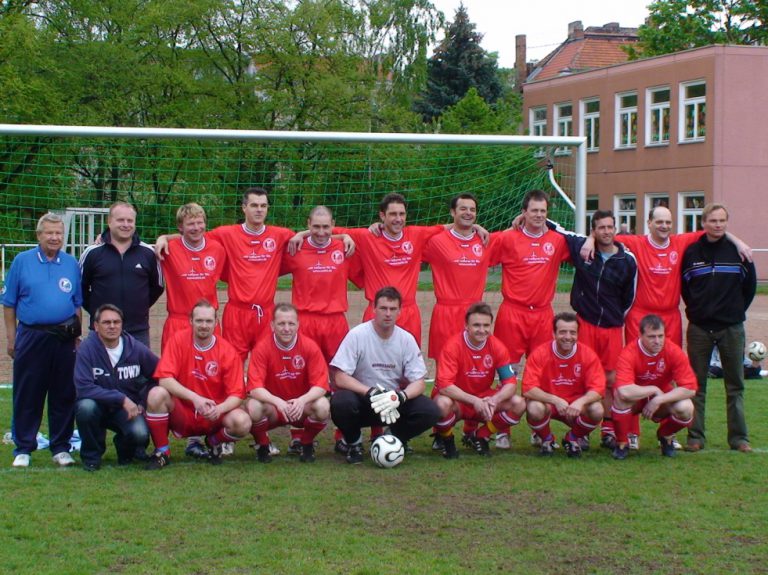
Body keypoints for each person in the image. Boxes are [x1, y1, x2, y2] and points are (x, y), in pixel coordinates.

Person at [551, 210, 637, 449]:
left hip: (611, 328)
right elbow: (557, 228)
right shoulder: (584, 251)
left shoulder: (627, 260)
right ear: (594, 230)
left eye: (610, 227)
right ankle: (584, 428)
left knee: (610, 379)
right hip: (586, 324)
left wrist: (615, 318)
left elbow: (629, 298)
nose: (606, 232)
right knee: (585, 377)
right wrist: (521, 219)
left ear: (615, 229)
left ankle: (608, 429)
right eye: (601, 228)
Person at [3, 212, 82, 468]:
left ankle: (60, 447)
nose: (55, 237)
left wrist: (77, 335)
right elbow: (9, 304)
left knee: (64, 392)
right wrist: (12, 338)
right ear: (39, 235)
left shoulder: (70, 263)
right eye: (49, 232)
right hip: (31, 336)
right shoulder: (22, 261)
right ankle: (24, 447)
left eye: (59, 233)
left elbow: (77, 304)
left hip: (63, 338)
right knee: (28, 392)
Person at [422, 194, 502, 448]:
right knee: (445, 376)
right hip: (446, 312)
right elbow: (406, 237)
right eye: (463, 209)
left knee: (478, 371)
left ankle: (471, 428)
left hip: (476, 315)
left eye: (472, 210)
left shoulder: (485, 240)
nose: (468, 213)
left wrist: (521, 217)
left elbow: (518, 234)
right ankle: (441, 432)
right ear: (452, 213)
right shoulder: (436, 241)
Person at [330, 287, 441, 464]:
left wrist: (400, 396)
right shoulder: (357, 335)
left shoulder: (406, 339)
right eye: (383, 308)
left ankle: (393, 438)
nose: (388, 313)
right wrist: (370, 392)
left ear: (400, 311)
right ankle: (353, 443)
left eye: (392, 309)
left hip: (392, 401)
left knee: (430, 410)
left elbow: (419, 383)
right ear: (374, 309)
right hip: (364, 399)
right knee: (340, 402)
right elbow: (340, 377)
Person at [681, 203, 757, 453]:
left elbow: (750, 288)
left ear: (727, 222)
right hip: (700, 328)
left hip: (731, 328)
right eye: (713, 221)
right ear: (703, 223)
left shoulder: (738, 253)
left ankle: (739, 438)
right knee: (696, 385)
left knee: (735, 385)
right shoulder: (691, 252)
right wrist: (700, 311)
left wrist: (733, 312)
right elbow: (686, 288)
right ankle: (695, 436)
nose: (718, 225)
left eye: (722, 221)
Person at [144, 300, 251, 469]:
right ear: (190, 321)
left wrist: (219, 409)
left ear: (216, 322)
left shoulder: (227, 351)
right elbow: (164, 379)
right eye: (199, 320)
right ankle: (162, 452)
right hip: (184, 412)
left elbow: (237, 395)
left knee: (243, 421)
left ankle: (214, 442)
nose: (204, 325)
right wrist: (195, 398)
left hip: (213, 415)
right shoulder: (178, 341)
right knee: (156, 394)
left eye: (208, 321)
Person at [432, 303, 525, 458]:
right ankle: (447, 440)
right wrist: (473, 400)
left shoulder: (497, 346)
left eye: (486, 325)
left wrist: (495, 399)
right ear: (466, 326)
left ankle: (481, 435)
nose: (482, 330)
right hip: (458, 401)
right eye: (476, 325)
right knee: (441, 403)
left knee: (519, 403)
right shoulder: (452, 346)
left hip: (484, 399)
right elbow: (444, 386)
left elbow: (510, 383)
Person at [489, 189, 570, 366]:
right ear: (524, 212)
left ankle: (534, 395)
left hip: (543, 315)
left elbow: (584, 248)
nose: (539, 215)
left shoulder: (558, 241)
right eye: (534, 210)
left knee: (542, 369)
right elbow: (476, 251)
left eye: (543, 211)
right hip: (512, 314)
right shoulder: (507, 238)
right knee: (506, 369)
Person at [74, 304, 159, 471]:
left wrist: (142, 401)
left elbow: (159, 374)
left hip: (127, 410)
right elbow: (83, 387)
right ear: (96, 326)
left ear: (122, 324)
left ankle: (125, 450)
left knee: (140, 434)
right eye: (106, 322)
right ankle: (92, 456)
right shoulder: (87, 349)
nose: (112, 326)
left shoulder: (135, 348)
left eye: (116, 322)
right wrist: (121, 398)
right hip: (97, 405)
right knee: (85, 407)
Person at [246, 303, 330, 463]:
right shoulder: (262, 348)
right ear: (272, 325)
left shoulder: (309, 346)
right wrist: (278, 402)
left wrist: (301, 400)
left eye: (291, 323)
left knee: (322, 405)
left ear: (298, 325)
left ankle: (306, 443)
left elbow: (321, 385)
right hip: (274, 409)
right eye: (281, 323)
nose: (286, 328)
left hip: (300, 408)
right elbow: (254, 388)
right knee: (253, 406)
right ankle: (262, 445)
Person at [610, 315, 697, 460]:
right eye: (651, 337)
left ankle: (665, 435)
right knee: (620, 398)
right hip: (637, 397)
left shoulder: (673, 350)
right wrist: (653, 390)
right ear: (640, 335)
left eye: (660, 336)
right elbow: (624, 390)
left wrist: (659, 399)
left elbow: (690, 388)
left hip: (662, 396)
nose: (657, 341)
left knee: (686, 407)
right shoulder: (629, 352)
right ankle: (622, 442)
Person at [80, 201, 163, 347]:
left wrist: (139, 306)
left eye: (130, 220)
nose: (126, 224)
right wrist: (97, 310)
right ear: (109, 222)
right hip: (101, 331)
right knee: (98, 370)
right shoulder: (92, 253)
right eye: (120, 220)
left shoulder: (148, 253)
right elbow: (80, 289)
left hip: (138, 332)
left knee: (139, 370)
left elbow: (157, 287)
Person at [522, 312, 606, 457]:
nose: (568, 337)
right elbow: (528, 389)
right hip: (549, 404)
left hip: (575, 407)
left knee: (597, 409)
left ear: (578, 334)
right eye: (562, 332)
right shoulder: (540, 353)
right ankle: (547, 440)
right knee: (534, 407)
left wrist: (580, 402)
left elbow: (598, 389)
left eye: (572, 332)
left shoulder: (588, 355)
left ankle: (572, 438)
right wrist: (555, 400)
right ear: (554, 333)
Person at [159, 203, 226, 351]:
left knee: (211, 369)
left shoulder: (217, 249)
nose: (196, 227)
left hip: (207, 322)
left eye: (199, 222)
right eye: (190, 224)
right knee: (174, 370)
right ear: (180, 227)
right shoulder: (168, 250)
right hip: (178, 322)